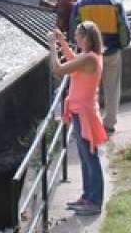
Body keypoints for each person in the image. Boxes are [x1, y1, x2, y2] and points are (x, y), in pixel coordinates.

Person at [48, 22, 107, 216]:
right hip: (80, 111)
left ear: (87, 38)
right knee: (85, 157)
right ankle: (87, 197)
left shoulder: (89, 58)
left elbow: (58, 69)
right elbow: (74, 60)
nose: (76, 38)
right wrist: (62, 43)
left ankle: (94, 201)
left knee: (90, 157)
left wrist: (52, 46)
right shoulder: (88, 56)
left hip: (84, 113)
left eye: (78, 36)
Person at [71, 0, 130, 133]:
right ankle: (109, 123)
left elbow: (73, 30)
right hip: (112, 51)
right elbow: (124, 28)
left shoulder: (80, 5)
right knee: (112, 88)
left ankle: (88, 123)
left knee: (88, 90)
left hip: (90, 56)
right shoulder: (115, 3)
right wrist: (121, 45)